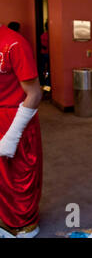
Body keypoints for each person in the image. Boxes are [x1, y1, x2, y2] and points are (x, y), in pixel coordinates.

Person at [0, 25, 43, 238]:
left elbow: (34, 94)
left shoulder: (14, 43)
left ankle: (23, 226)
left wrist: (12, 136)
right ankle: (6, 220)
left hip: (16, 119)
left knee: (18, 177)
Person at [40, 21, 50, 86]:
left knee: (45, 70)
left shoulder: (43, 35)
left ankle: (46, 85)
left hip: (43, 54)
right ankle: (47, 85)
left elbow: (43, 45)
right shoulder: (50, 35)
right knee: (48, 71)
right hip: (48, 54)